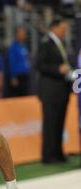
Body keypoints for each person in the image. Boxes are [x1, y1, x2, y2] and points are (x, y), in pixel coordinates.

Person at [36, 16, 72, 164]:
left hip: (61, 90)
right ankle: (49, 156)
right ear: (54, 28)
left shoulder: (60, 43)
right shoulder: (46, 43)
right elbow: (39, 65)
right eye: (63, 29)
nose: (65, 32)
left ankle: (58, 153)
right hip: (50, 91)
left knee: (59, 123)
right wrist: (58, 69)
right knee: (50, 124)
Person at [7, 26, 31, 97]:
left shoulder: (24, 46)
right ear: (17, 34)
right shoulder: (13, 47)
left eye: (24, 33)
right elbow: (11, 62)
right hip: (18, 76)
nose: (24, 35)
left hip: (25, 75)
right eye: (22, 33)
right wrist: (13, 77)